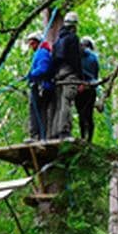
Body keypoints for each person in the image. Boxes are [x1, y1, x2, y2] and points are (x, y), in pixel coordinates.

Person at [49, 11, 82, 139]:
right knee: (66, 102)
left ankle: (54, 132)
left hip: (58, 74)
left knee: (59, 103)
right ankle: (64, 131)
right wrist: (80, 77)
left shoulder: (58, 41)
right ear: (74, 26)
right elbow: (76, 59)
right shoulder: (73, 38)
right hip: (69, 74)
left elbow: (54, 59)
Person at [24, 32, 54, 142]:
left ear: (38, 42)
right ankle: (40, 136)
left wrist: (31, 74)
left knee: (37, 111)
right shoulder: (42, 52)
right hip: (42, 86)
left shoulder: (42, 53)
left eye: (33, 43)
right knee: (40, 111)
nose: (31, 46)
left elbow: (43, 68)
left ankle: (37, 136)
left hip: (41, 86)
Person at [76, 37, 100, 142]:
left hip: (79, 87)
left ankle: (83, 137)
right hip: (91, 87)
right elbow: (95, 74)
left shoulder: (78, 56)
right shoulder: (94, 57)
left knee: (81, 114)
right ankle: (89, 139)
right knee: (89, 114)